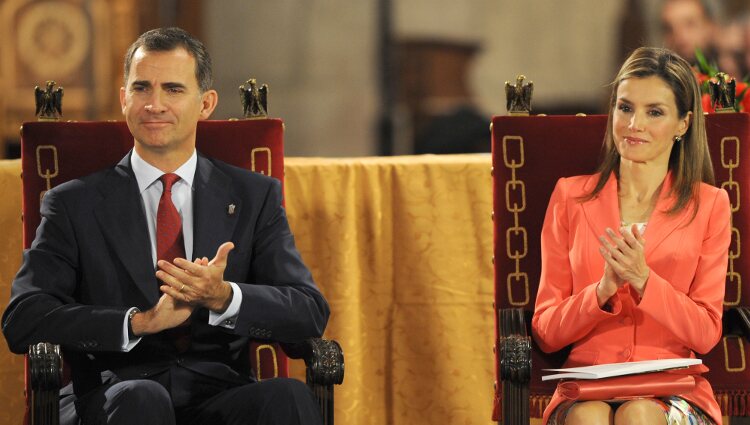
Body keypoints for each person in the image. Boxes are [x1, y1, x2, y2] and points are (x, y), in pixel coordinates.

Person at [2, 27, 329, 425]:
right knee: (142, 400)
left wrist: (224, 297)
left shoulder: (253, 196)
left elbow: (309, 311)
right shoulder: (73, 203)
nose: (154, 105)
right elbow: (25, 317)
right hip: (115, 393)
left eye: (173, 89)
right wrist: (138, 322)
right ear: (124, 99)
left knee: (287, 397)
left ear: (205, 104)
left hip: (220, 393)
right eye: (142, 88)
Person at [532, 47, 730, 424]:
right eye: (625, 108)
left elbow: (706, 333)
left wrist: (644, 280)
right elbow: (546, 332)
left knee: (639, 414)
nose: (634, 123)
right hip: (586, 388)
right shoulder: (569, 197)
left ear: (683, 124)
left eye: (654, 112)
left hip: (672, 387)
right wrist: (601, 291)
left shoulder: (711, 205)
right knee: (588, 418)